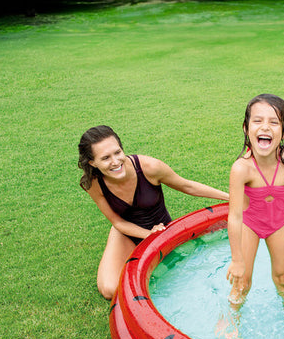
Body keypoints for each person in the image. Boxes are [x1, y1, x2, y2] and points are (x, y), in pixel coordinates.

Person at [78, 125, 229, 300]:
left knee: (176, 281)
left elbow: (186, 185)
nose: (115, 161)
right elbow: (117, 222)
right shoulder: (94, 183)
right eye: (105, 158)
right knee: (110, 290)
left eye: (117, 152)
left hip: (161, 230)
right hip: (126, 231)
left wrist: (230, 197)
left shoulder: (149, 167)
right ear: (92, 162)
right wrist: (148, 234)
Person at [225, 94, 284, 311]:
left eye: (274, 122)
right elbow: (235, 216)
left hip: (278, 225)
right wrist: (236, 259)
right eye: (258, 121)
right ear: (246, 128)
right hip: (249, 225)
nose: (265, 127)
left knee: (282, 277)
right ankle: (232, 320)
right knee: (242, 282)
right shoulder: (241, 168)